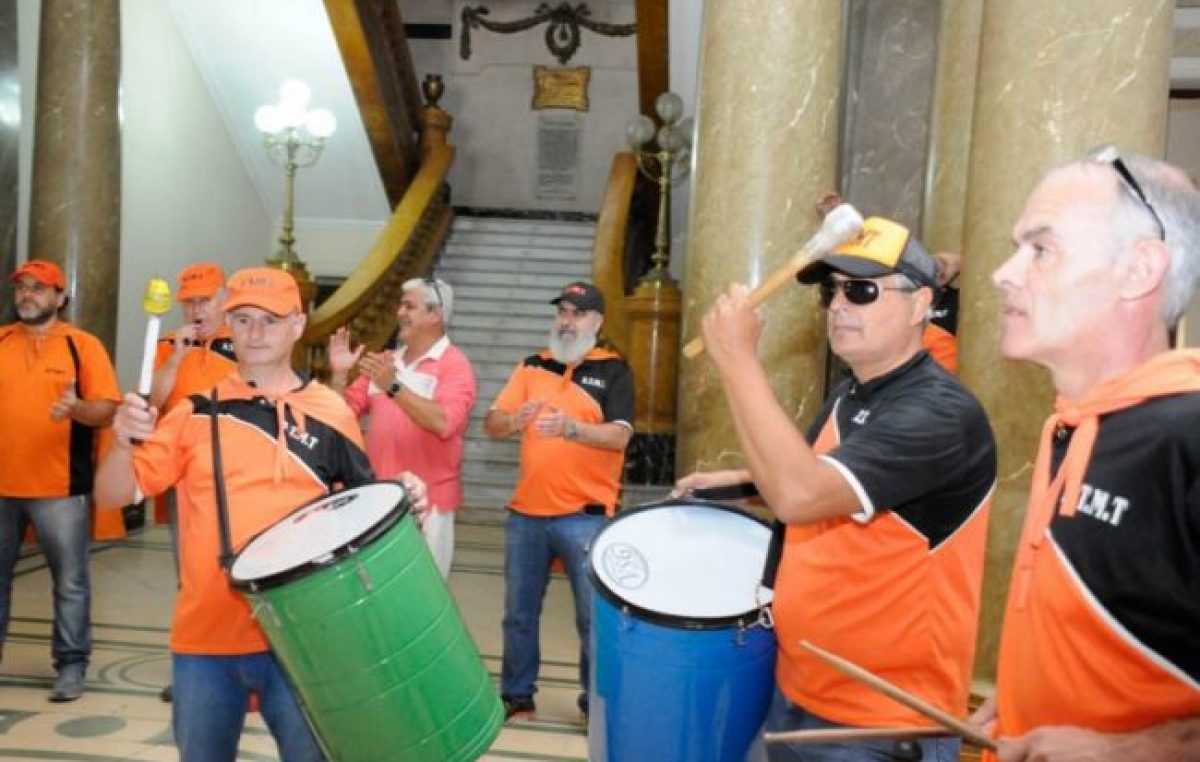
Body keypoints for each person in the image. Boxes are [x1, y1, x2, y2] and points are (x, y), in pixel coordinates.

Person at [675, 217, 997, 761]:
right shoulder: (854, 394)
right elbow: (827, 479)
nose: (840, 305)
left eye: (863, 290)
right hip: (801, 688)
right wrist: (747, 484)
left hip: (878, 723)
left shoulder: (940, 414)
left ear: (921, 304)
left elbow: (802, 495)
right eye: (833, 290)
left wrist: (737, 359)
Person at [95, 267, 428, 761]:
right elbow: (111, 495)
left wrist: (407, 504)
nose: (254, 333)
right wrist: (122, 445)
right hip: (206, 636)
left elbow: (361, 524)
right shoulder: (194, 411)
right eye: (243, 319)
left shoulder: (331, 413)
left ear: (298, 324)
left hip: (306, 639)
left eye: (270, 320)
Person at [972, 149, 1200, 761]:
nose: (1003, 272)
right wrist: (1029, 698)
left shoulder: (1188, 434)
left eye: (1040, 249)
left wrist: (1134, 752)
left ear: (1137, 270)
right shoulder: (1072, 421)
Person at [483, 280, 634, 721]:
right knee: (518, 614)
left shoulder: (614, 372)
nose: (567, 321)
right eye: (563, 312)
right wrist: (513, 420)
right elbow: (492, 424)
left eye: (578, 313)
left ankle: (595, 705)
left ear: (597, 322)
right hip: (526, 515)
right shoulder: (532, 365)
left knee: (593, 620)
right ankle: (517, 695)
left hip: (584, 518)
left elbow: (621, 435)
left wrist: (573, 429)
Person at [0, 259, 120, 702]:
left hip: (60, 488)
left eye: (38, 288)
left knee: (70, 581)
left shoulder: (81, 346)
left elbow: (106, 409)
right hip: (1, 488)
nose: (27, 295)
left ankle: (71, 666)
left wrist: (75, 408)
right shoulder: (2, 341)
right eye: (21, 288)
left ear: (60, 297)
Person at [328, 277, 477, 578]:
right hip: (377, 501)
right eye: (401, 304)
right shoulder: (385, 361)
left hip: (428, 506)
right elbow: (337, 417)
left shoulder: (454, 365)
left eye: (410, 306)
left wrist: (393, 386)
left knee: (422, 599)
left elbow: (444, 422)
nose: (399, 312)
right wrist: (340, 376)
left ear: (436, 315)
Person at [149, 262, 237, 703]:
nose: (196, 309)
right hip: (186, 479)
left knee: (243, 573)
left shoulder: (247, 342)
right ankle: (193, 671)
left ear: (225, 300)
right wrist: (179, 356)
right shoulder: (167, 346)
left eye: (205, 299)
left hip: (240, 476)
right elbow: (152, 401)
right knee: (193, 576)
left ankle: (254, 669)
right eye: (190, 302)